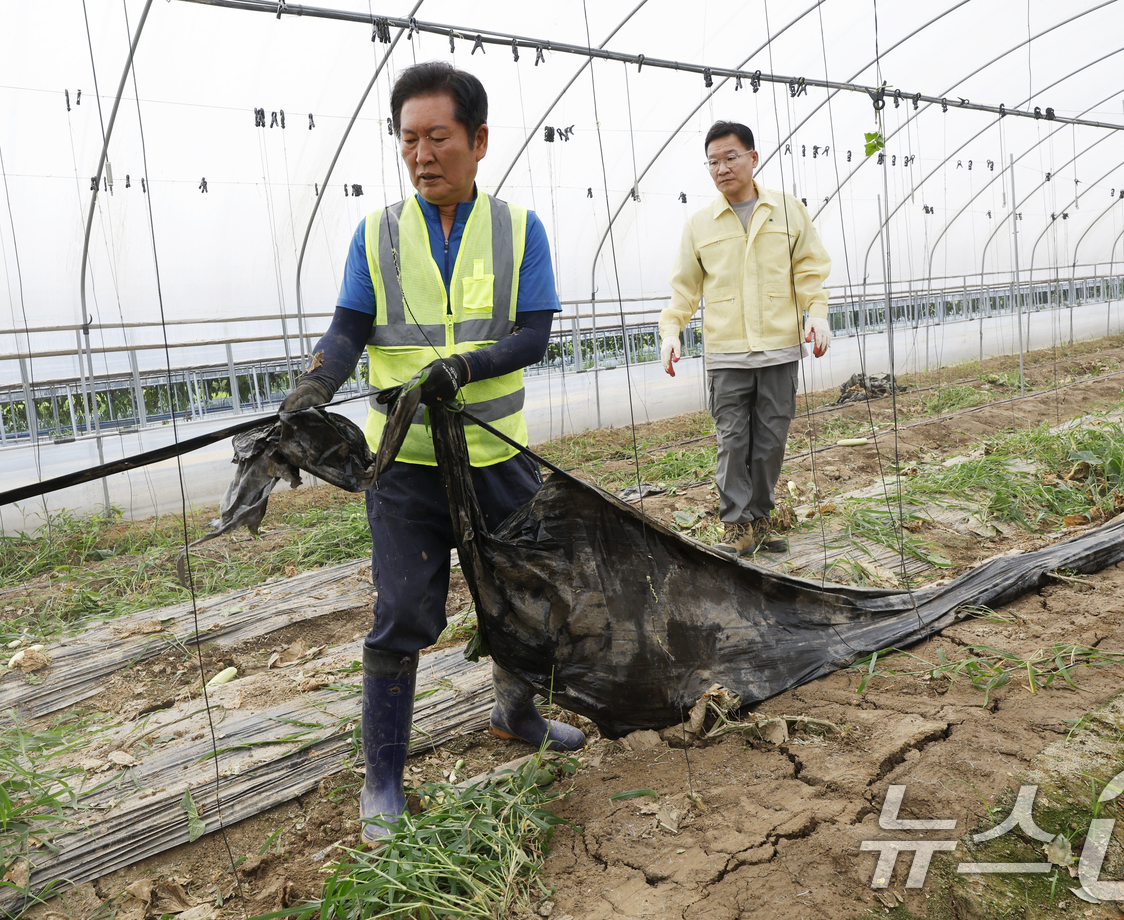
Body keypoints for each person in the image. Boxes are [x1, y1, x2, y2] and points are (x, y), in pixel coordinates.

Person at [278, 61, 585, 843]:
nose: (421, 154)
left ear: (478, 141)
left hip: (494, 454)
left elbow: (535, 334)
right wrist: (313, 386)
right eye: (408, 139)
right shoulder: (376, 233)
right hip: (405, 465)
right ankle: (382, 782)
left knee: (522, 595)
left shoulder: (519, 230)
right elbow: (348, 329)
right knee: (403, 613)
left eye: (438, 137)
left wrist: (464, 368)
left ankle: (515, 712)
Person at [658, 121, 833, 558]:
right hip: (727, 352)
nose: (721, 168)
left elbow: (809, 269)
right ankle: (735, 525)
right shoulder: (700, 225)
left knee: (770, 442)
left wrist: (818, 314)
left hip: (778, 346)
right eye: (713, 161)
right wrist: (671, 331)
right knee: (733, 440)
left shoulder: (788, 211)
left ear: (753, 158)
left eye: (730, 157)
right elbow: (685, 287)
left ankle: (758, 519)